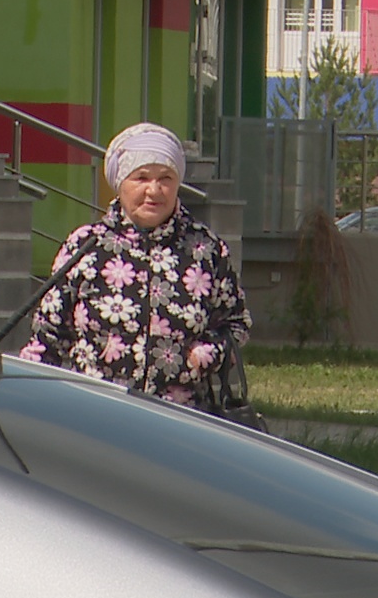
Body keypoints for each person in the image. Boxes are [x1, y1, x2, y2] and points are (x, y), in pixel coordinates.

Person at [21, 122, 251, 413]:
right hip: (95, 413)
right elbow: (48, 335)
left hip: (182, 419)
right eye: (141, 178)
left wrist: (206, 355)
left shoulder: (205, 249)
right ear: (120, 183)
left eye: (166, 178)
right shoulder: (87, 245)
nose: (154, 190)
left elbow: (236, 323)